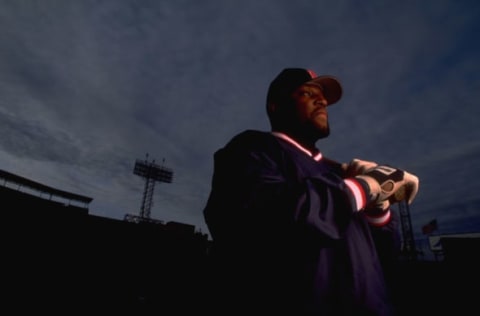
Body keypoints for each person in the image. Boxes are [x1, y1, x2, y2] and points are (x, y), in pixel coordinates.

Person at [202, 68, 419, 315]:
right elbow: (262, 221)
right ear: (276, 106)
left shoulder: (339, 175)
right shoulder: (252, 148)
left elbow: (386, 258)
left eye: (323, 97)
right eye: (307, 93)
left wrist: (378, 209)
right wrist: (365, 187)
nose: (323, 101)